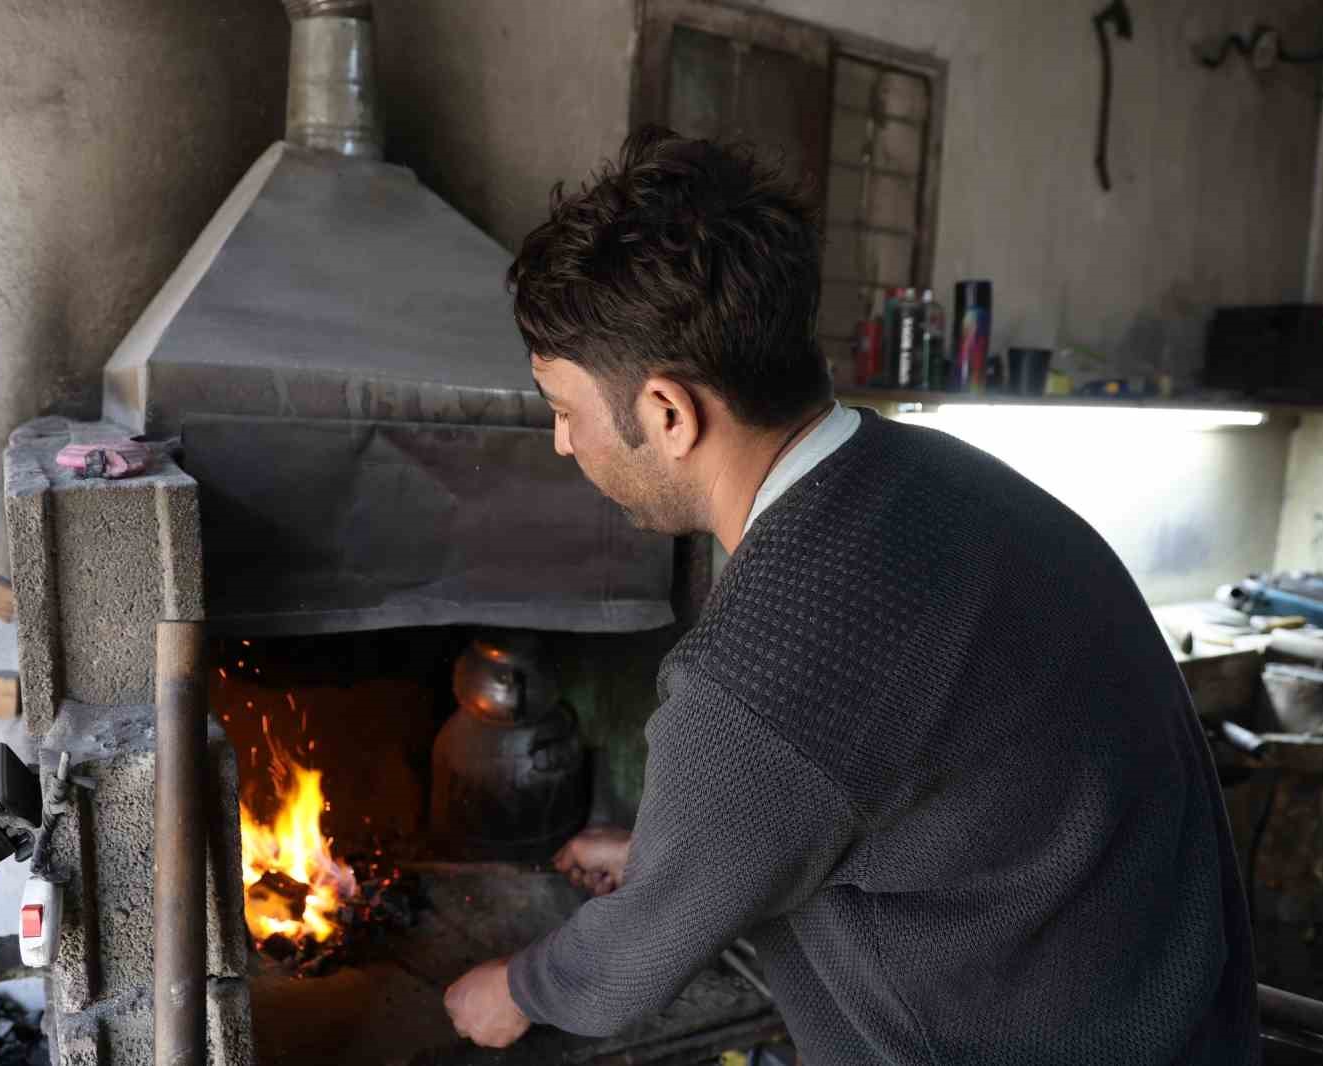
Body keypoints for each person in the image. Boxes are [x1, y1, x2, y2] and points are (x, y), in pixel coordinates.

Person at [442, 126, 1259, 1064]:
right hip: (1177, 1020)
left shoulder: (753, 676)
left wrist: (513, 989)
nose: (561, 443)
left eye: (563, 411)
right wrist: (681, 859)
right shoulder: (959, 480)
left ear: (668, 415)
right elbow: (875, 780)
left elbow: (623, 975)